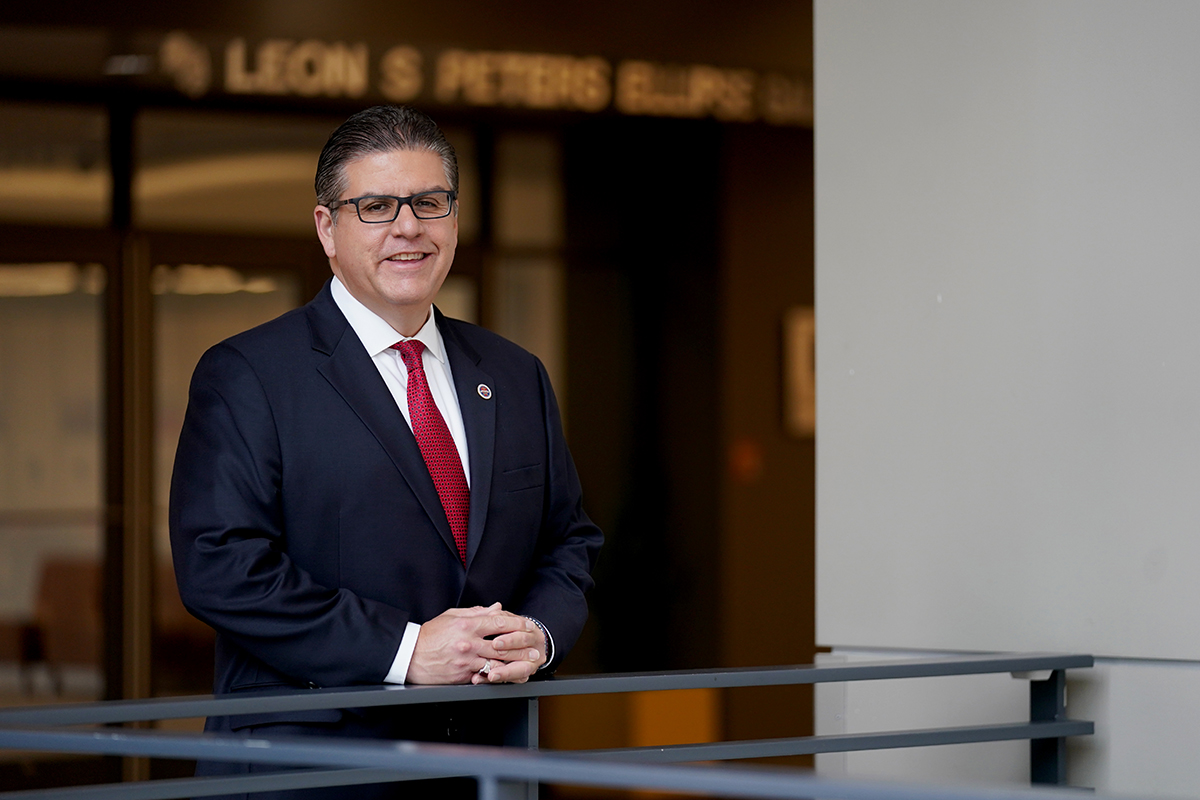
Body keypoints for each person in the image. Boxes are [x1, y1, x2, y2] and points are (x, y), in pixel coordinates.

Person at [169, 104, 603, 799]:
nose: (409, 226)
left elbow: (568, 541)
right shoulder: (250, 374)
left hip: (490, 767)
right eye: (376, 205)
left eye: (429, 202)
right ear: (327, 229)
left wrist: (539, 634)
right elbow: (221, 565)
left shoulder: (515, 373)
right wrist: (404, 652)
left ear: (454, 221)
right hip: (315, 772)